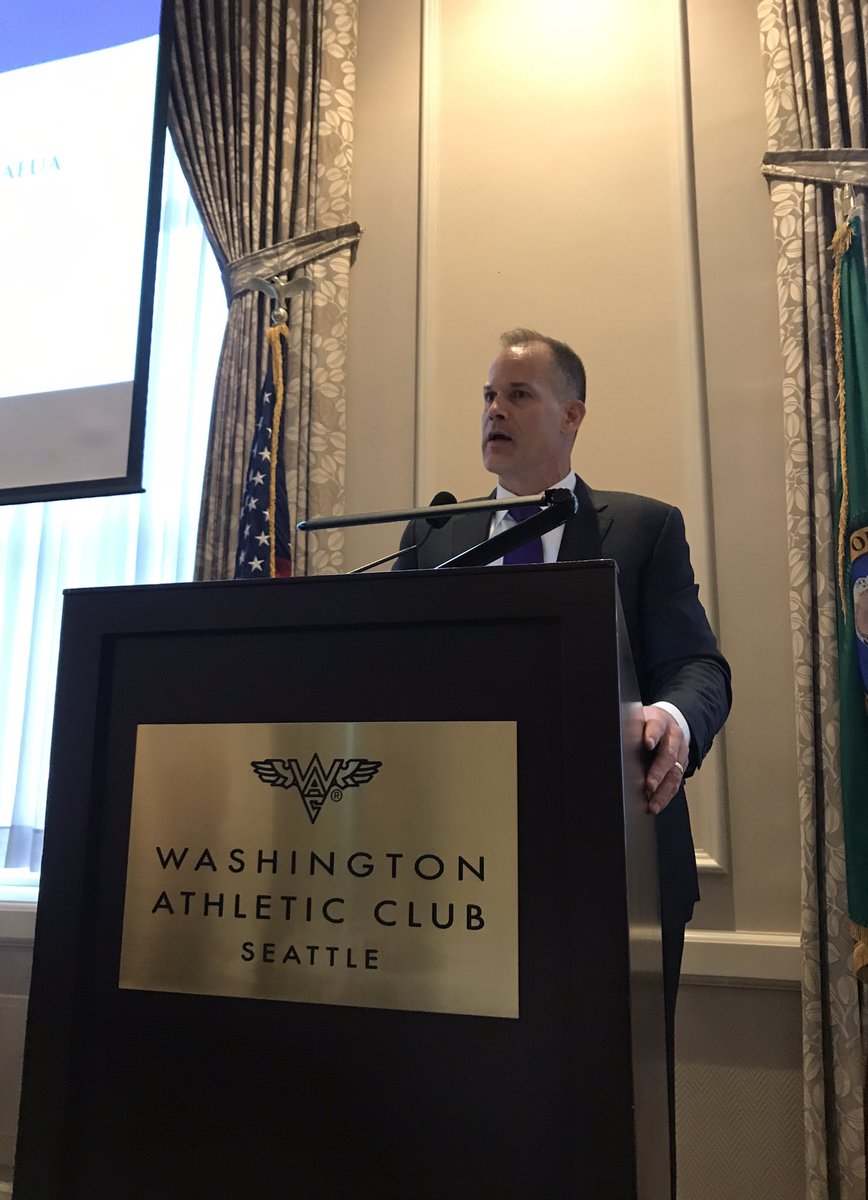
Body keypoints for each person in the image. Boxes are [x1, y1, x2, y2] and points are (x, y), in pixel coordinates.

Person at [393, 327, 732, 1196]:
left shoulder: (644, 527)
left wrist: (670, 719)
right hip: (454, 878)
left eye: (518, 394)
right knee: (468, 1121)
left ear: (571, 414)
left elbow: (699, 667)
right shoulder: (435, 537)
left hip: (615, 879)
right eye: (487, 395)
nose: (494, 410)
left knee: (611, 1128)